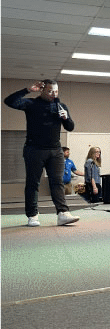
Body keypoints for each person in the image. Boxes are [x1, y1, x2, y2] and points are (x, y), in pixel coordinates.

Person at [4, 79, 79, 226]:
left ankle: (63, 213)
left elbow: (70, 127)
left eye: (56, 91)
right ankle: (32, 215)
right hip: (34, 150)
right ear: (42, 90)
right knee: (33, 183)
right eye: (50, 91)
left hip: (56, 151)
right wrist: (27, 90)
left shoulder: (60, 106)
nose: (53, 94)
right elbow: (9, 101)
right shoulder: (31, 104)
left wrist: (66, 118)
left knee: (57, 182)